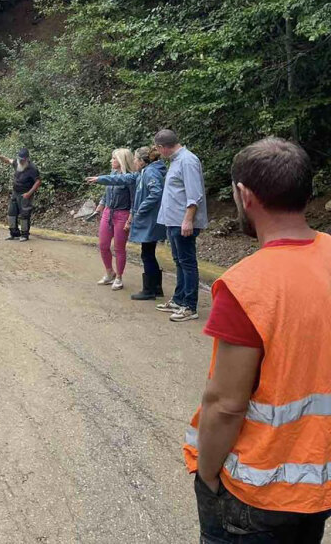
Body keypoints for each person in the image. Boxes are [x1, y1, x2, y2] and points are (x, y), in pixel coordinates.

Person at [183, 137, 331, 542]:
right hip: (318, 485)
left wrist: (209, 475)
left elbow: (226, 405)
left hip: (256, 493)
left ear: (244, 196)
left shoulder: (246, 286)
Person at [87, 145, 167, 300]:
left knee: (146, 254)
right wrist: (100, 180)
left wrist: (136, 213)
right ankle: (155, 288)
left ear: (142, 161)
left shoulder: (149, 173)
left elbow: (154, 194)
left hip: (144, 218)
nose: (135, 161)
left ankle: (149, 290)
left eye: (136, 159)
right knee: (147, 253)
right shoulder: (142, 173)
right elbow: (118, 180)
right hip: (133, 216)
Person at [154, 129, 208, 322]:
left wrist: (188, 220)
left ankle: (189, 306)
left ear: (162, 147)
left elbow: (195, 194)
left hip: (182, 221)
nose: (159, 152)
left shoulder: (188, 160)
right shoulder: (177, 161)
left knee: (187, 262)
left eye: (158, 149)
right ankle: (179, 299)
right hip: (173, 220)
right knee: (179, 261)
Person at [89, 148, 136, 290]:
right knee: (103, 245)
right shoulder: (113, 174)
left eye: (114, 158)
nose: (111, 161)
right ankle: (110, 272)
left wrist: (130, 219)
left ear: (121, 161)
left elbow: (134, 200)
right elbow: (106, 193)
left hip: (122, 214)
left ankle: (119, 277)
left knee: (119, 248)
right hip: (108, 212)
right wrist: (101, 206)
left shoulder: (131, 178)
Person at [0, 148, 41, 242]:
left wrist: (29, 193)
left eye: (23, 160)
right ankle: (14, 234)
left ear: (27, 159)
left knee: (24, 215)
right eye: (20, 159)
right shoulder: (16, 163)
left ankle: (24, 235)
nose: (21, 161)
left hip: (25, 194)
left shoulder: (32, 168)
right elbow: (7, 160)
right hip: (15, 193)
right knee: (11, 213)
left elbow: (38, 181)